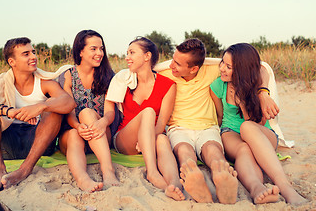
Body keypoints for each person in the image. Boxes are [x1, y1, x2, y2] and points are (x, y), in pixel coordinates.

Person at [154, 38, 279, 204]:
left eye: (176, 63)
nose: (171, 66)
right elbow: (143, 73)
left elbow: (260, 67)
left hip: (209, 128)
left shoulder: (214, 73)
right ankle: (196, 180)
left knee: (213, 151)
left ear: (194, 69)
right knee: (185, 152)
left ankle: (222, 176)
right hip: (179, 128)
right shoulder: (167, 74)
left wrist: (263, 93)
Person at [0, 37, 75, 193]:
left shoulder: (45, 83)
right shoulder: (0, 82)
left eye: (33, 52)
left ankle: (25, 169)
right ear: (12, 62)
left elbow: (68, 102)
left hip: (37, 143)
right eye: (26, 54)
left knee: (54, 111)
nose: (33, 57)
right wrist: (10, 112)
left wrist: (40, 106)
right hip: (7, 146)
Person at [210, 43, 306, 204]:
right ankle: (256, 188)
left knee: (247, 127)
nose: (222, 69)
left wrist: (243, 102)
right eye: (222, 63)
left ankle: (285, 187)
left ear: (242, 70)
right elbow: (219, 117)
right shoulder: (218, 85)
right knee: (244, 148)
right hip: (231, 132)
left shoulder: (257, 84)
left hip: (261, 132)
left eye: (228, 66)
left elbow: (259, 122)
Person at [106, 37, 185, 201]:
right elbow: (109, 104)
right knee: (148, 112)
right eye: (127, 53)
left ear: (147, 56)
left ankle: (173, 185)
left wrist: (145, 140)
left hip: (152, 139)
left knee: (163, 139)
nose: (127, 57)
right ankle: (152, 172)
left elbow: (161, 123)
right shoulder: (124, 81)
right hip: (125, 139)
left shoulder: (168, 85)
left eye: (132, 53)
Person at [57, 30, 120, 193]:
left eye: (101, 48)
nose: (99, 53)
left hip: (100, 132)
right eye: (94, 49)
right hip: (76, 134)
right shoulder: (68, 76)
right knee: (72, 133)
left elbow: (110, 112)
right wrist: (78, 127)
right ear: (80, 51)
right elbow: (69, 112)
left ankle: (108, 172)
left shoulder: (107, 76)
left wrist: (101, 123)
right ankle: (83, 180)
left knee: (86, 113)